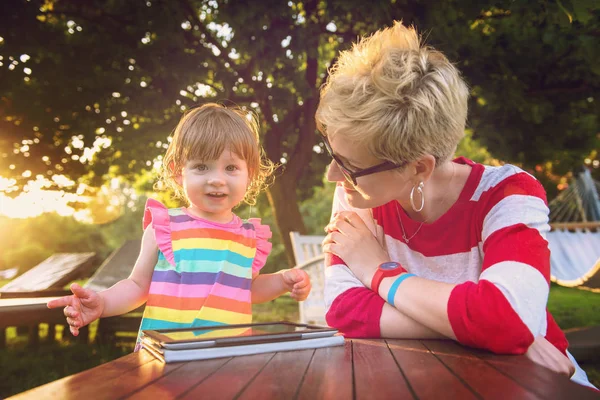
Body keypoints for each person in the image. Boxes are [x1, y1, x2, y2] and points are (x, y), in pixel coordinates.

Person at [316, 21, 596, 389]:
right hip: (423, 381)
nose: (333, 175)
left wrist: (378, 272)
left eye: (350, 167)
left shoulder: (508, 194)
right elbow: (344, 311)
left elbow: (505, 318)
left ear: (418, 168)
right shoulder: (360, 194)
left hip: (541, 384)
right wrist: (492, 335)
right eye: (333, 153)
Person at [48, 103, 312, 350]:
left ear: (250, 173)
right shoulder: (165, 227)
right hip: (166, 354)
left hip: (228, 356)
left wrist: (281, 282)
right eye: (201, 167)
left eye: (231, 167)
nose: (217, 180)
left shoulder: (249, 237)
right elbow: (137, 286)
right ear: (178, 172)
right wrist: (103, 302)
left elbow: (247, 290)